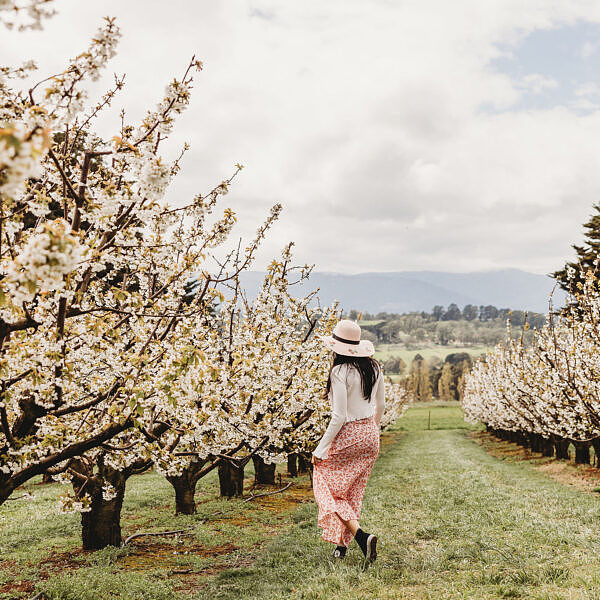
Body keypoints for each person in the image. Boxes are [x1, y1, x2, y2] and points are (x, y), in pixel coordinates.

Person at [311, 319, 385, 563]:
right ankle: (341, 546)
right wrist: (372, 432)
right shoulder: (374, 368)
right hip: (370, 434)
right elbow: (380, 406)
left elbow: (339, 415)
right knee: (353, 491)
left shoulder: (339, 372)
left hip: (349, 435)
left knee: (327, 487)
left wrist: (321, 448)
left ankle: (361, 537)